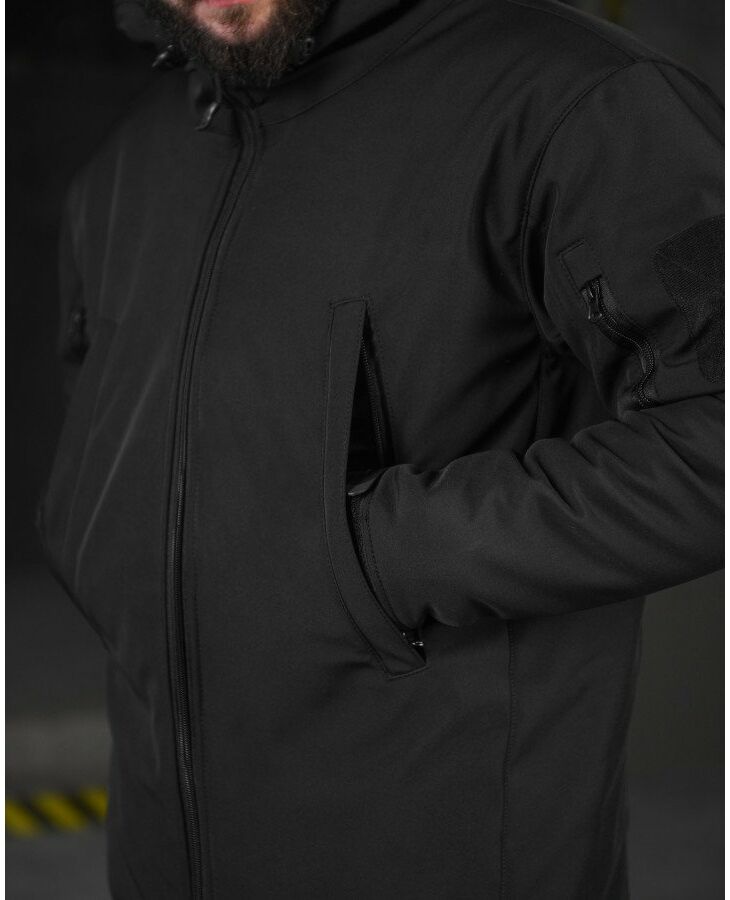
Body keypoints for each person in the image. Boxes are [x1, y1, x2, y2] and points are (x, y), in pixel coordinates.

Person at [38, 0, 723, 896]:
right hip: (163, 851)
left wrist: (378, 557)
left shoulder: (573, 103)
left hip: (443, 855)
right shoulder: (131, 160)